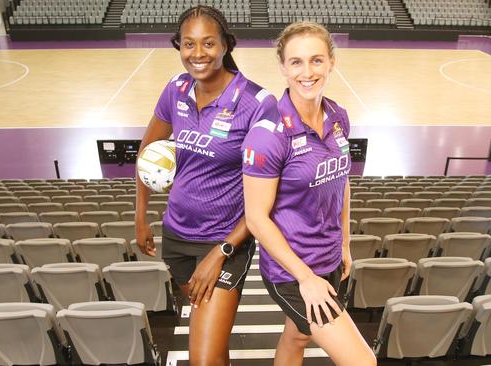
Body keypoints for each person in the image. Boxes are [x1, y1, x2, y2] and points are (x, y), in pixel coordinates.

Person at [134, 5, 279, 365]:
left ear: (226, 45)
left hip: (226, 242)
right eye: (188, 44)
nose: (197, 54)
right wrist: (140, 215)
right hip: (178, 238)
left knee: (202, 359)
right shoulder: (176, 88)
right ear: (178, 47)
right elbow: (147, 151)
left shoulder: (257, 104)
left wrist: (222, 252)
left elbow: (268, 197)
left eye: (208, 43)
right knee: (210, 346)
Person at [241, 22, 378, 366]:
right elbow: (256, 218)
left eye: (316, 60)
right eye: (296, 62)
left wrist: (345, 242)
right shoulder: (268, 135)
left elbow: (342, 180)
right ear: (283, 67)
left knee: (298, 334)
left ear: (331, 62)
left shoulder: (337, 116)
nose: (307, 72)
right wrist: (306, 279)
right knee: (363, 362)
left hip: (329, 258)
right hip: (292, 271)